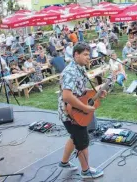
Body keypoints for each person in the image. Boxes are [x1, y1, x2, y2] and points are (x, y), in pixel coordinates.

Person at [58, 43, 106, 179]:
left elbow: (80, 91)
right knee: (82, 141)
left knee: (75, 137)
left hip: (74, 111)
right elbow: (67, 96)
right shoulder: (70, 72)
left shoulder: (79, 68)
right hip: (71, 114)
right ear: (76, 55)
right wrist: (85, 108)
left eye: (88, 55)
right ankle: (86, 171)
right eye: (85, 54)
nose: (88, 57)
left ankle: (64, 162)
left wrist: (96, 93)